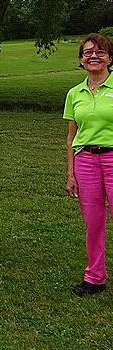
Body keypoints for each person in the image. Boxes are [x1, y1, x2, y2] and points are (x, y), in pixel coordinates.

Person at [63, 33, 113, 296]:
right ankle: (95, 277)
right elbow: (71, 137)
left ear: (110, 58)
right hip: (86, 161)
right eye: (88, 53)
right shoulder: (75, 93)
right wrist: (70, 173)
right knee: (93, 222)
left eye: (100, 52)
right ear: (81, 60)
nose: (94, 56)